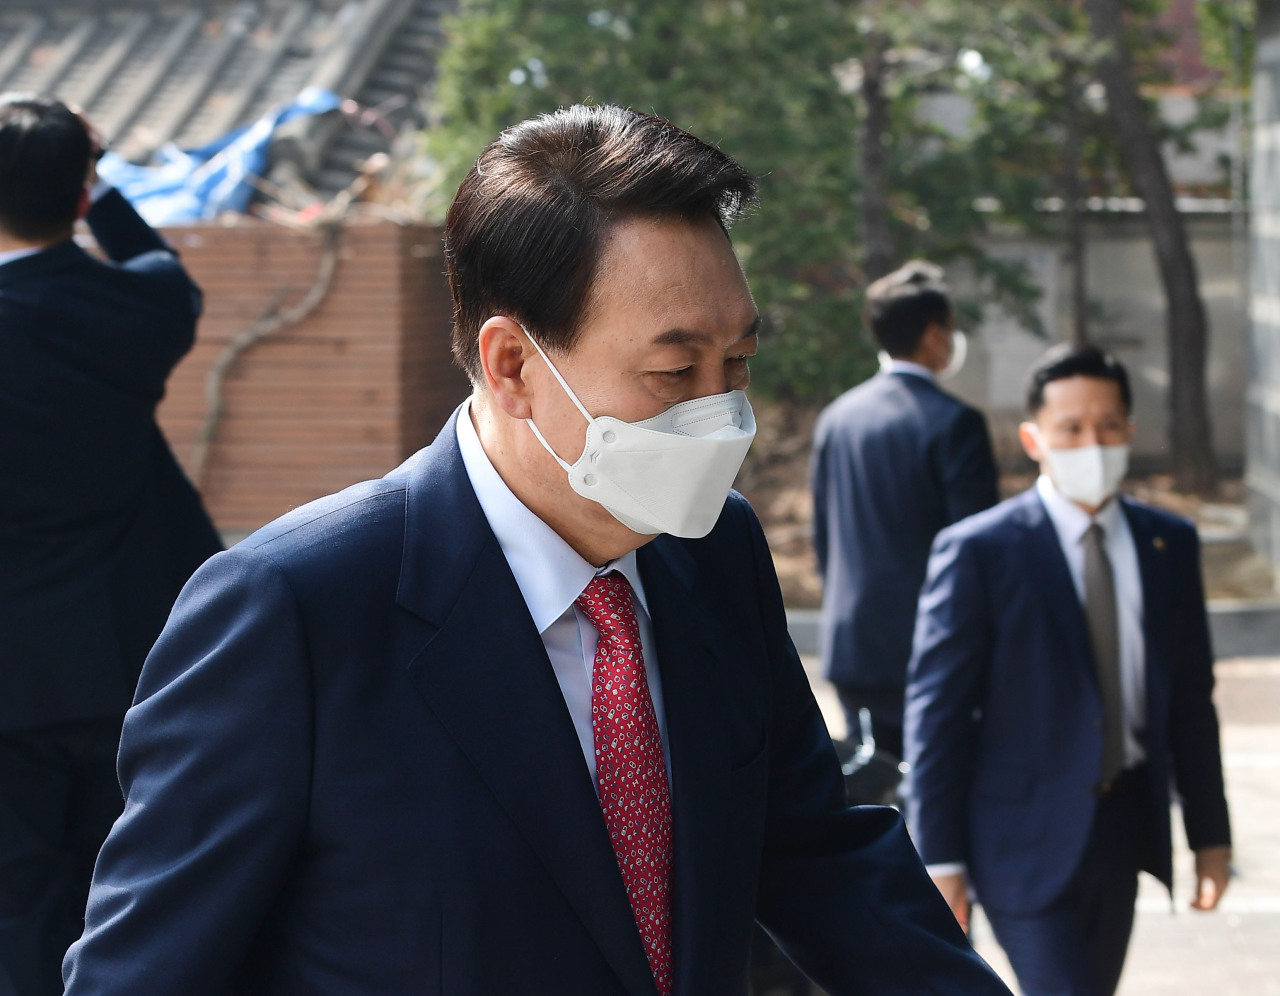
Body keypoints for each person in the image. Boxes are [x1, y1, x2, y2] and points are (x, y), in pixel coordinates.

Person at [63, 105, 1010, 996]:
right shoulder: (296, 609)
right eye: (675, 371)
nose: (721, 415)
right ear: (514, 364)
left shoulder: (713, 553)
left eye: (740, 365)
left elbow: (815, 852)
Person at [904, 343, 1233, 996]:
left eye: (1109, 426)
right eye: (1072, 429)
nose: (1093, 442)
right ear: (1033, 438)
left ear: (1131, 433)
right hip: (1016, 835)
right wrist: (938, 859)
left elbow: (1192, 698)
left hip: (1123, 826)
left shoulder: (1168, 544)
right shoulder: (981, 551)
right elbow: (936, 714)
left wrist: (1210, 836)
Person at [0, 94, 222, 995]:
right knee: (124, 891)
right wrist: (100, 189)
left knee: (14, 902)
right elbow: (158, 262)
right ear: (84, 188)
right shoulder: (143, 312)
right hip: (131, 658)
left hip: (8, 680)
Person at [811, 261, 998, 757]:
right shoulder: (955, 424)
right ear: (935, 335)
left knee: (873, 801)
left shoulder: (838, 419)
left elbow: (825, 538)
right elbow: (977, 552)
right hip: (931, 649)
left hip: (854, 645)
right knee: (934, 805)